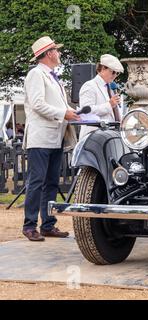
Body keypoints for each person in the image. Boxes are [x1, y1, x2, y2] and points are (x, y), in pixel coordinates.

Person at [22, 36, 79, 241]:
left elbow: (60, 105)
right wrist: (64, 113)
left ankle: (47, 224)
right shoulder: (36, 74)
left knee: (51, 182)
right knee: (36, 182)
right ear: (49, 54)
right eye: (57, 50)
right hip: (41, 137)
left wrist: (78, 113)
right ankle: (29, 226)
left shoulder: (53, 77)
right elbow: (37, 104)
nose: (60, 53)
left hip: (55, 137)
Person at [78, 54, 124, 138]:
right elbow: (86, 111)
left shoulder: (111, 88)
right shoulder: (89, 86)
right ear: (103, 68)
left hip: (111, 136)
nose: (115, 76)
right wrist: (109, 105)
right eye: (113, 72)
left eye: (117, 73)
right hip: (93, 137)